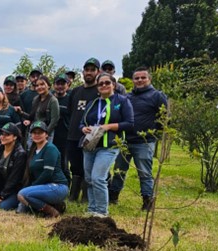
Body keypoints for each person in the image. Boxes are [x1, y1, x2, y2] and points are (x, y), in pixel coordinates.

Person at [109, 67, 168, 210]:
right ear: (133, 80)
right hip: (125, 141)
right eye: (137, 78)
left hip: (144, 142)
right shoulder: (128, 97)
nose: (140, 80)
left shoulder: (157, 96)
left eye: (143, 77)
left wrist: (153, 134)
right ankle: (113, 198)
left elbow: (165, 118)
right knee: (118, 171)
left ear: (149, 79)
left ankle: (147, 202)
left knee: (144, 173)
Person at [80, 73, 134, 217]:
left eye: (107, 83)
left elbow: (129, 124)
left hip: (109, 146)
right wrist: (83, 128)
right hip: (90, 145)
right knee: (89, 179)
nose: (103, 85)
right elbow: (82, 121)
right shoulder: (93, 103)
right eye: (100, 84)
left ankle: (102, 212)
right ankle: (92, 209)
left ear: (113, 85)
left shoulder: (122, 101)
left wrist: (108, 126)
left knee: (98, 178)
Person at [17, 121, 69, 218]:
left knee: (23, 194)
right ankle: (54, 206)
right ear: (31, 135)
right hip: (45, 186)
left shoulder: (50, 149)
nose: (37, 135)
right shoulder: (33, 150)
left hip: (58, 186)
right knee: (23, 201)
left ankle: (52, 212)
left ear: (46, 134)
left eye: (40, 132)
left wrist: (32, 187)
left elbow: (47, 173)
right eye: (34, 133)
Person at [67, 58, 101, 202]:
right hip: (73, 135)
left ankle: (86, 197)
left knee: (88, 167)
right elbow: (70, 111)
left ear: (98, 72)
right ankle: (73, 195)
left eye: (92, 70)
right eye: (86, 69)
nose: (89, 72)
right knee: (74, 166)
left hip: (90, 136)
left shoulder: (99, 91)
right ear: (83, 72)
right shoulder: (75, 91)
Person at [0, 123, 26, 210]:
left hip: (14, 190)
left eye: (7, 134)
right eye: (2, 134)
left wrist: (2, 196)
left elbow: (14, 179)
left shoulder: (20, 154)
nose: (2, 137)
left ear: (15, 137)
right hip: (0, 187)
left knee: (2, 207)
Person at [27, 75, 60, 145]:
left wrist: (46, 133)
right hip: (34, 130)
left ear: (48, 85)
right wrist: (20, 112)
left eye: (42, 84)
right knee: (30, 152)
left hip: (46, 133)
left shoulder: (53, 100)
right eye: (37, 85)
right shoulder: (35, 99)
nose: (39, 87)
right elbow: (32, 116)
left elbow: (54, 120)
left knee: (44, 153)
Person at [52, 75, 72, 181]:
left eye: (62, 84)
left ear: (67, 85)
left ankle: (67, 183)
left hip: (65, 135)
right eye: (57, 84)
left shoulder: (70, 99)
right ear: (54, 85)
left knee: (64, 162)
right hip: (50, 135)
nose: (60, 86)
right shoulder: (49, 98)